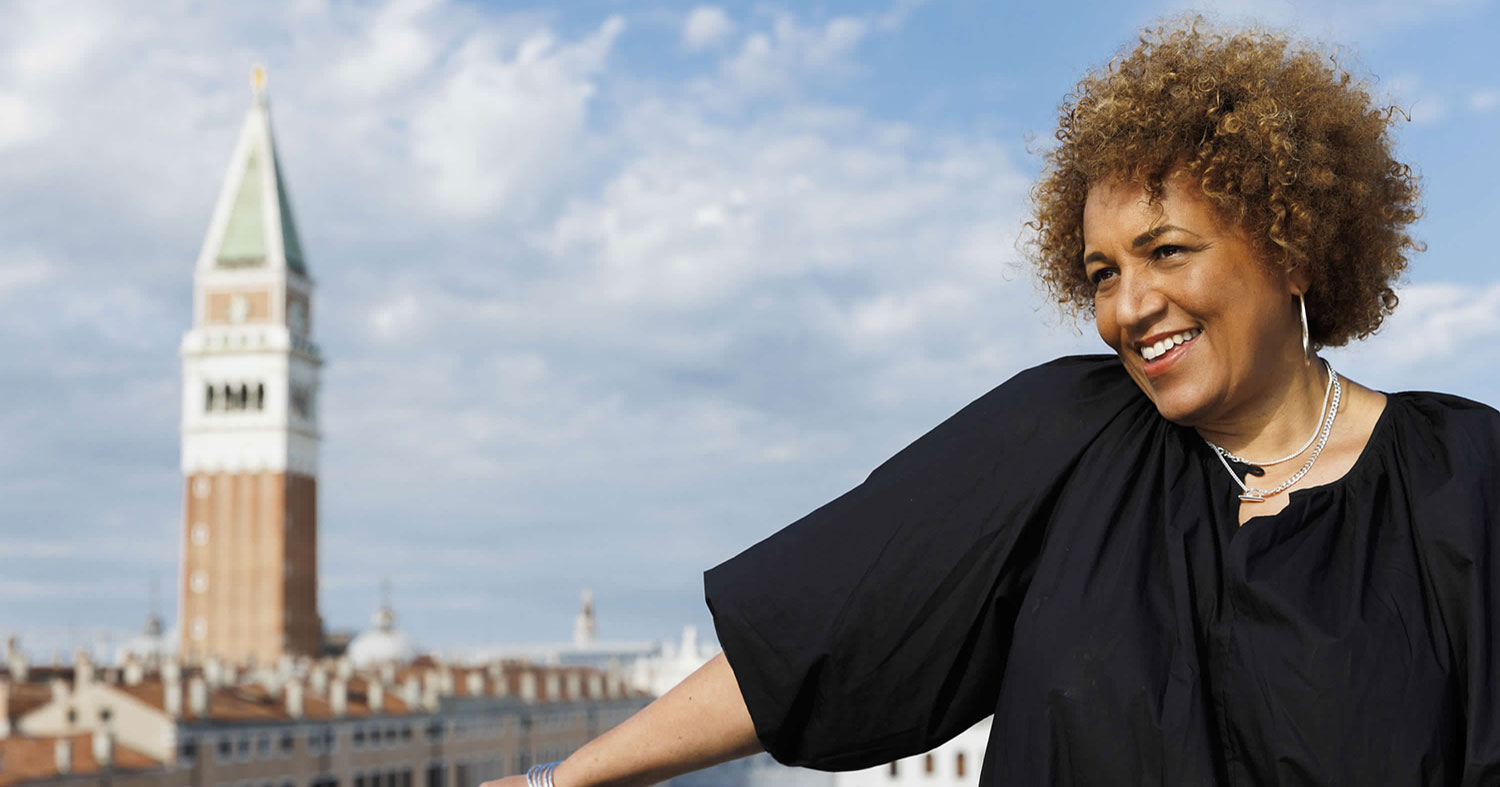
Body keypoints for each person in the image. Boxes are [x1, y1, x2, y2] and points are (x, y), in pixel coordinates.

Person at [483, 17, 1500, 787]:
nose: (1128, 307)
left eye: (1166, 251)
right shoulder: (1062, 437)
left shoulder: (1466, 480)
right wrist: (555, 783)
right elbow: (820, 634)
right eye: (1101, 272)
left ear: (1292, 248)